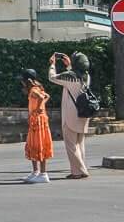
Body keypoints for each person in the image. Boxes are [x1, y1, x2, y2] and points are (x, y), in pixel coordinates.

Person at [48, 51, 92, 179]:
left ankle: (80, 171)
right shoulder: (86, 76)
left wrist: (52, 64)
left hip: (71, 115)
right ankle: (78, 171)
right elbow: (76, 74)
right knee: (80, 144)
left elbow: (52, 77)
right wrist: (69, 66)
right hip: (83, 114)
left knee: (71, 145)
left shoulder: (70, 76)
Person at [21, 68, 53, 183]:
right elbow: (46, 96)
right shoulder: (37, 88)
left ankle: (43, 173)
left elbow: (41, 97)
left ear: (27, 81)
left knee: (38, 145)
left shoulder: (34, 90)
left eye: (23, 80)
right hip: (38, 119)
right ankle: (36, 172)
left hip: (37, 120)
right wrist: (40, 107)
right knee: (33, 144)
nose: (22, 83)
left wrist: (38, 108)